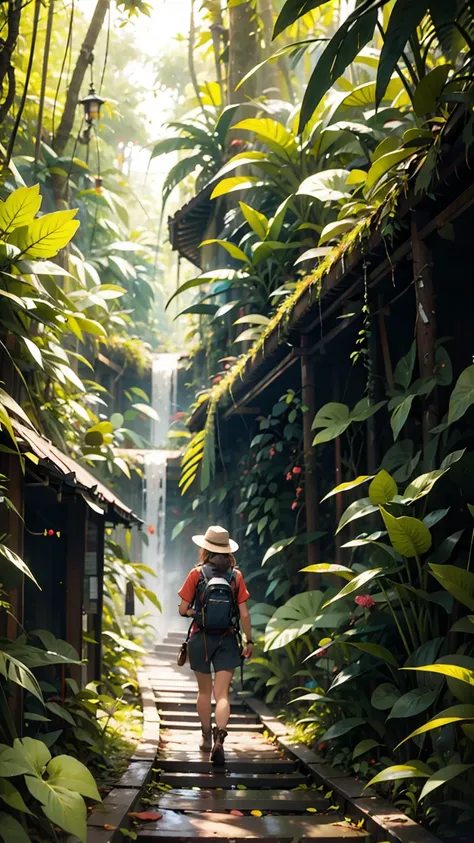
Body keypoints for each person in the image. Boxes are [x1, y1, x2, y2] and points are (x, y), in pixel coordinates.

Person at [178, 525, 253, 765]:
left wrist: (196, 613)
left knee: (204, 691)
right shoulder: (236, 576)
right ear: (228, 551)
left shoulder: (196, 574)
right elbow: (244, 614)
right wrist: (248, 641)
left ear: (205, 549)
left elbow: (182, 609)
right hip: (227, 639)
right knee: (222, 695)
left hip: (201, 639)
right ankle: (221, 739)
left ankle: (206, 737)